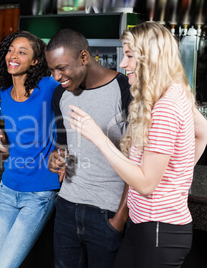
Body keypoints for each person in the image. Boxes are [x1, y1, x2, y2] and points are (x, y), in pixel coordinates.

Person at [68, 21, 207, 268]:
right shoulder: (175, 92)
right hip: (148, 226)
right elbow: (202, 133)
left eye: (130, 56)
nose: (123, 64)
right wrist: (176, 175)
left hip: (158, 231)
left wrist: (98, 137)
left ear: (150, 57)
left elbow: (145, 183)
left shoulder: (164, 107)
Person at [45, 29, 131, 268]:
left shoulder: (125, 90)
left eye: (61, 67)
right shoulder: (61, 94)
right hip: (66, 207)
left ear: (84, 57)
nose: (56, 76)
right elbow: (63, 146)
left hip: (107, 213)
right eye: (52, 69)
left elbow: (137, 159)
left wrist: (120, 219)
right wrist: (56, 158)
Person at [0, 30, 60, 268]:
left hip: (39, 193)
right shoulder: (4, 95)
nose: (13, 55)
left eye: (22, 51)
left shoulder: (49, 87)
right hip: (7, 190)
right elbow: (11, 150)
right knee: (3, 262)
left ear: (36, 61)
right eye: (10, 50)